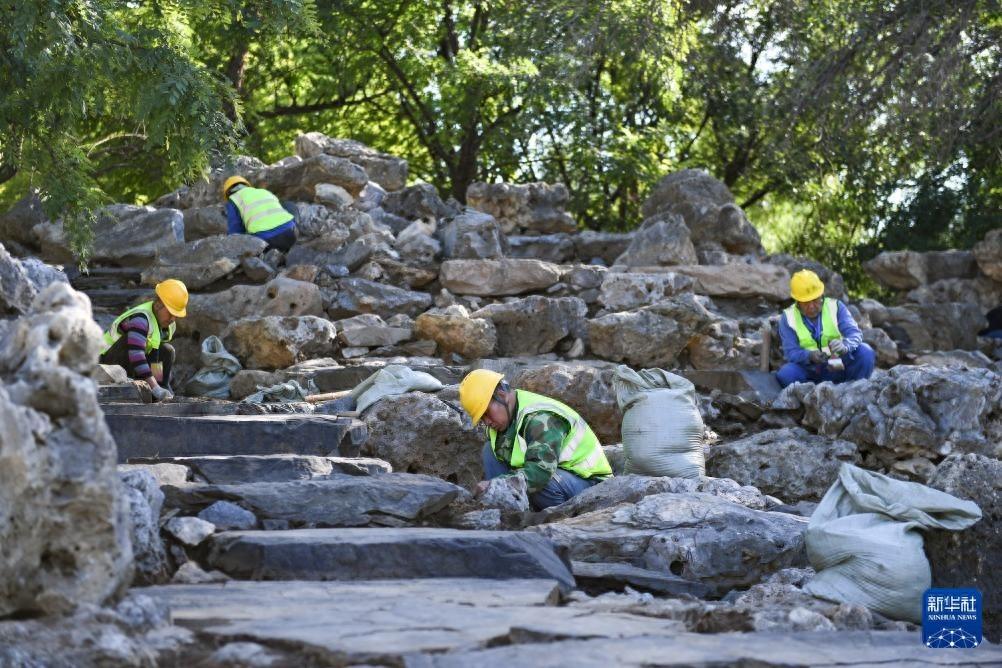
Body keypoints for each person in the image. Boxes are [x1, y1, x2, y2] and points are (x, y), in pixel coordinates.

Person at [458, 369, 612, 510]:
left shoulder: (541, 418)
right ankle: (503, 510)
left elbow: (540, 472)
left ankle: (557, 519)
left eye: (486, 413)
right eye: (481, 418)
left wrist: (497, 485)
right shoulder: (507, 417)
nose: (487, 422)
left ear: (501, 395)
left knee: (542, 483)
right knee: (490, 451)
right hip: (562, 478)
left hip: (593, 486)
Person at [776, 269, 876, 388]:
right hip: (810, 370)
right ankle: (812, 397)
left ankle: (855, 390)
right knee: (786, 374)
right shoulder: (788, 317)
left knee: (865, 352)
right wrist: (809, 356)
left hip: (838, 364)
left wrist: (845, 346)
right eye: (806, 302)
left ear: (821, 295)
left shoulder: (836, 307)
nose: (812, 306)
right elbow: (791, 352)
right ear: (797, 301)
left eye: (815, 300)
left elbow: (855, 334)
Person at [99, 279, 188, 402]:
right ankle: (137, 387)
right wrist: (154, 386)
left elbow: (156, 356)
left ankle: (160, 391)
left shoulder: (167, 325)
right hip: (106, 364)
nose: (173, 318)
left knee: (167, 350)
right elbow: (136, 354)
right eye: (170, 313)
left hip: (130, 364)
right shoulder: (141, 319)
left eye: (176, 315)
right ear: (158, 305)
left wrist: (158, 386)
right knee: (134, 345)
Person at [222, 176, 298, 252]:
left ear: (228, 194)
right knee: (288, 205)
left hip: (266, 241)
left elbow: (235, 231)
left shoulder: (234, 199)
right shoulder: (264, 191)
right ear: (247, 185)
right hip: (291, 234)